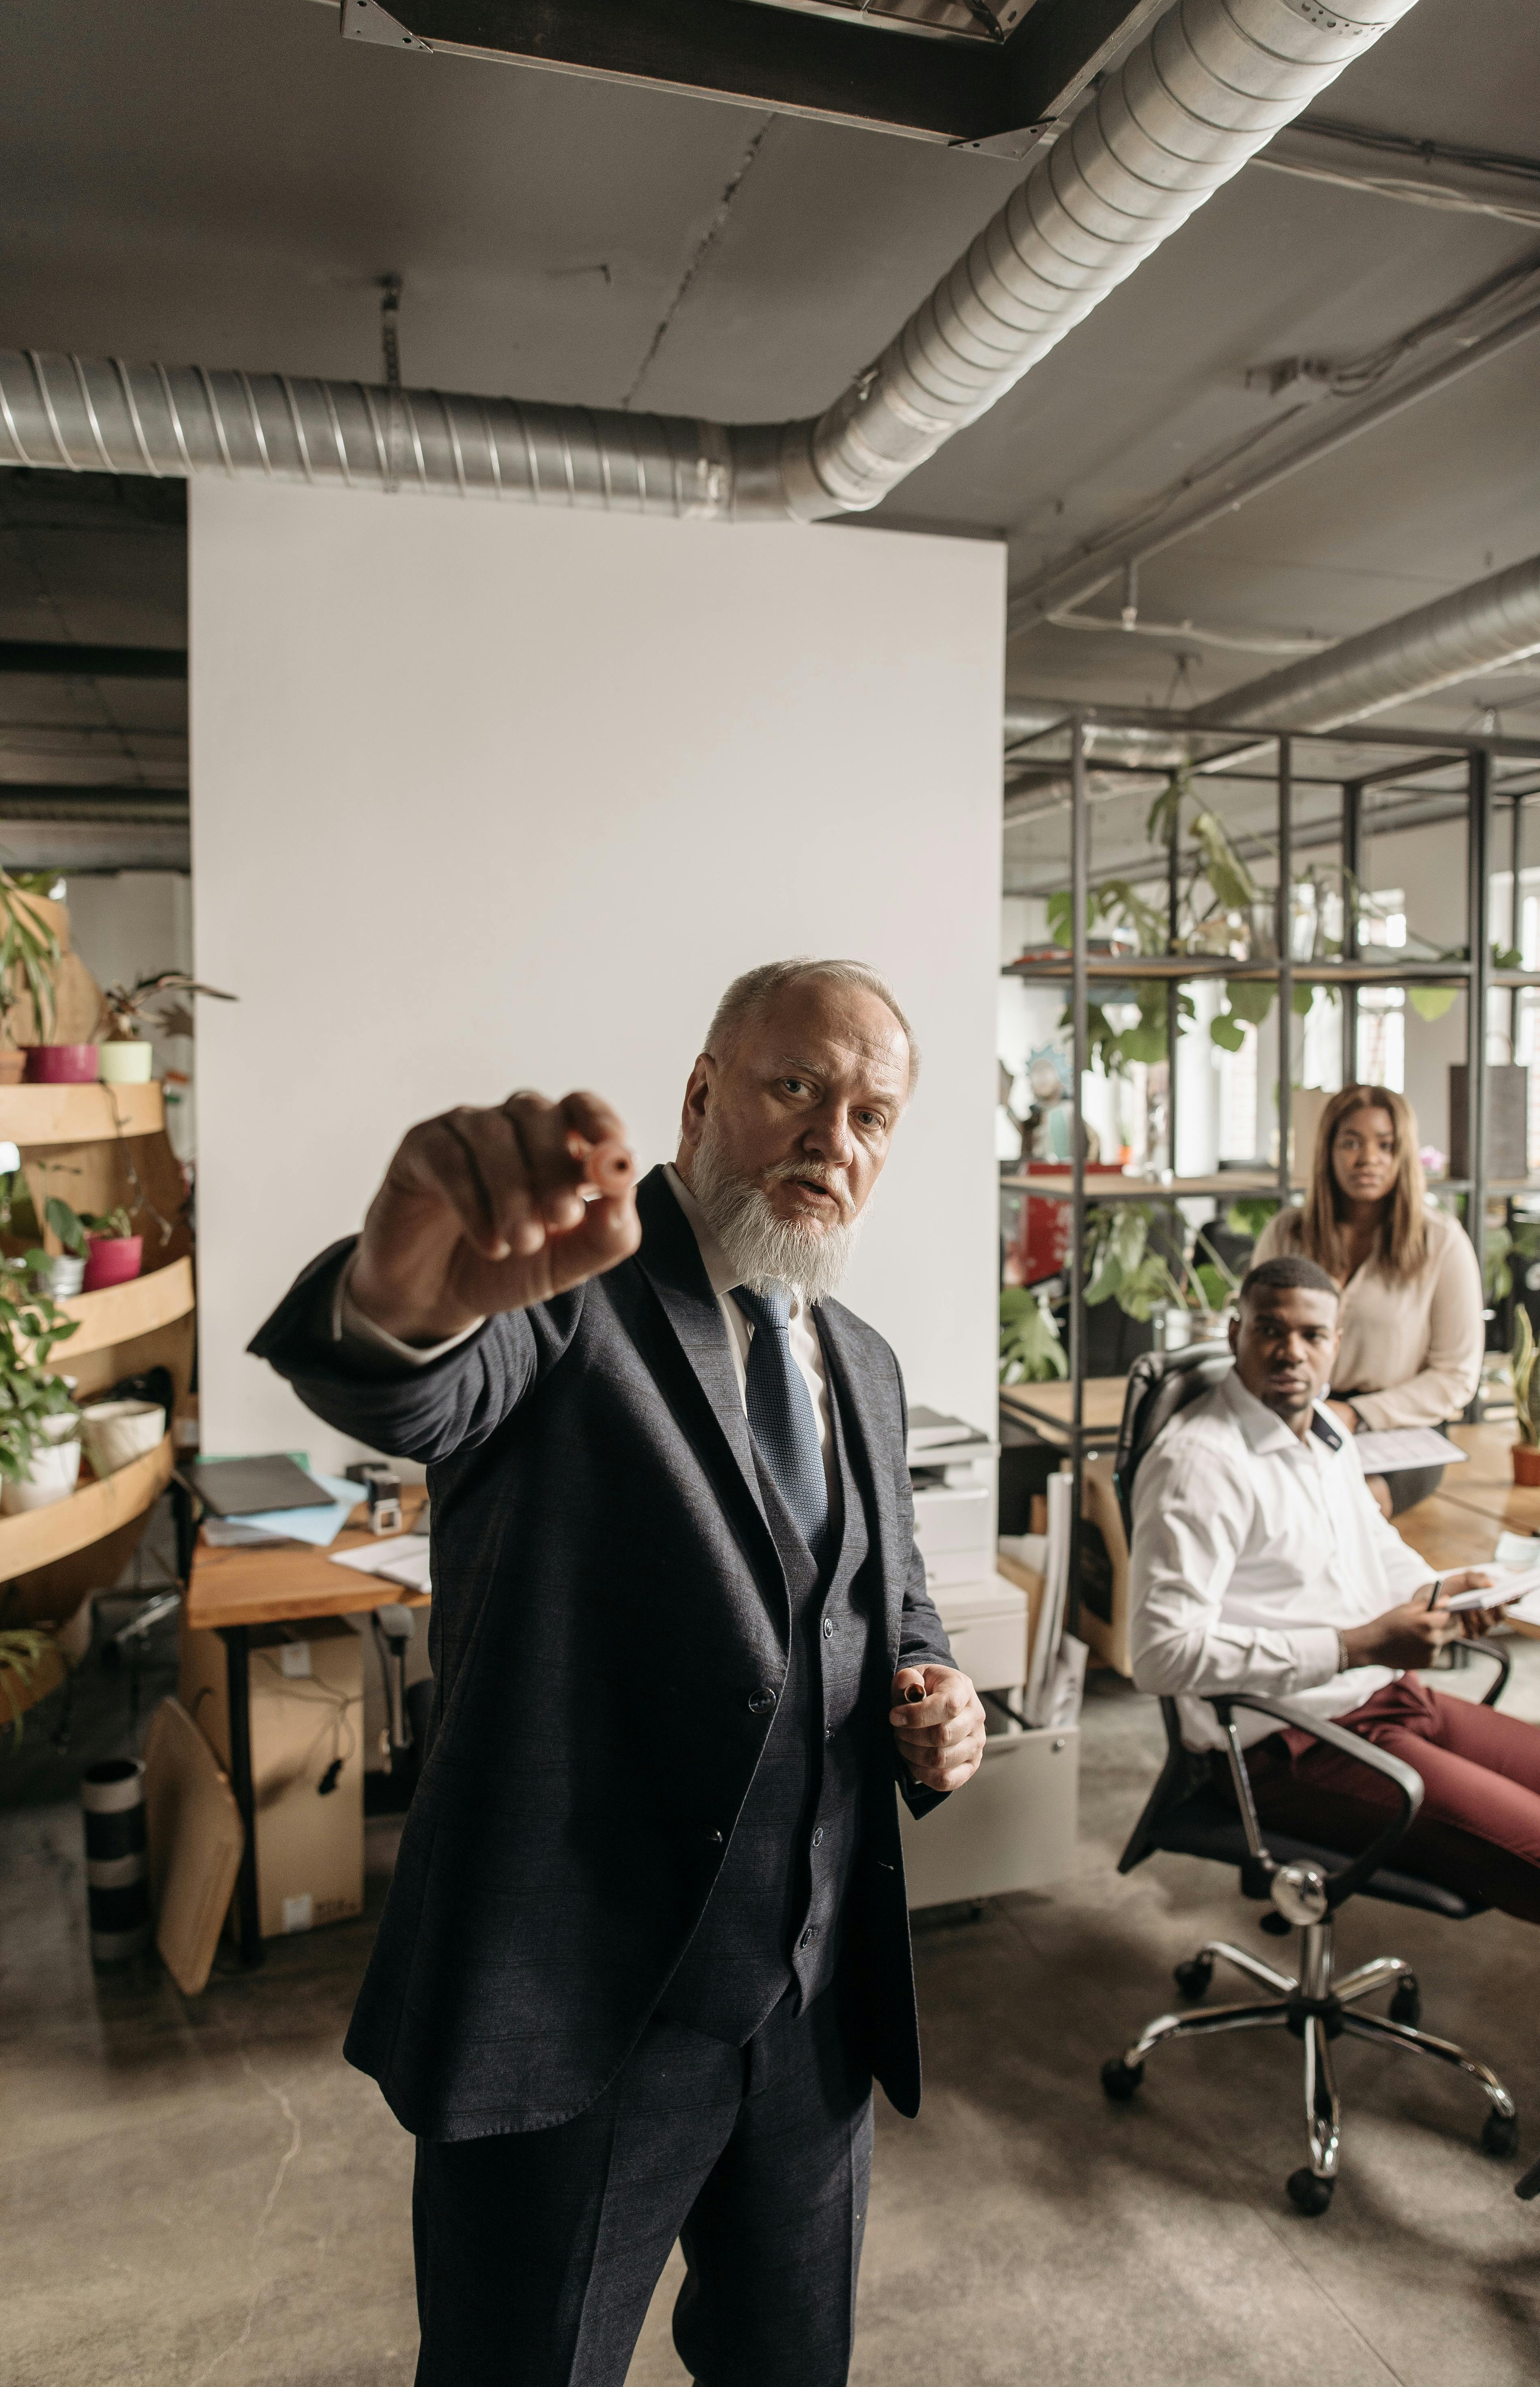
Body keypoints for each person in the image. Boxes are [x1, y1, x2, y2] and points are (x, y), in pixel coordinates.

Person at [250, 957, 986, 2387]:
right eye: (796, 1088)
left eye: (871, 1116)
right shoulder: (566, 1300)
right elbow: (411, 1378)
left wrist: (934, 1691)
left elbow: (893, 1607)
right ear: (704, 1093)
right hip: (577, 2014)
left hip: (812, 2013)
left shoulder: (872, 1367)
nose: (834, 1139)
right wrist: (408, 1282)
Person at [1128, 1254, 1540, 2015]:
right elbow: (1158, 1655)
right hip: (1287, 1745)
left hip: (1387, 1699)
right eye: (1269, 1330)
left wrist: (1441, 1590)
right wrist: (1359, 1645)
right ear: (1234, 1333)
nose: (1291, 1351)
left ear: (1337, 1345)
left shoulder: (1323, 1430)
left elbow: (1373, 1549)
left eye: (1312, 1335)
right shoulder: (1198, 1464)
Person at [1252, 1082, 1482, 1516]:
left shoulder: (1441, 1242)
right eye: (1351, 1143)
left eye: (1385, 1145)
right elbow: (1252, 1337)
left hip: (1397, 1429)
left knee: (1346, 1509)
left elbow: (1456, 1376)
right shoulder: (1286, 1233)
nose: (1367, 1159)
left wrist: (1358, 1413)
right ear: (1328, 1151)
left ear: (1403, 1154)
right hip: (1289, 1415)